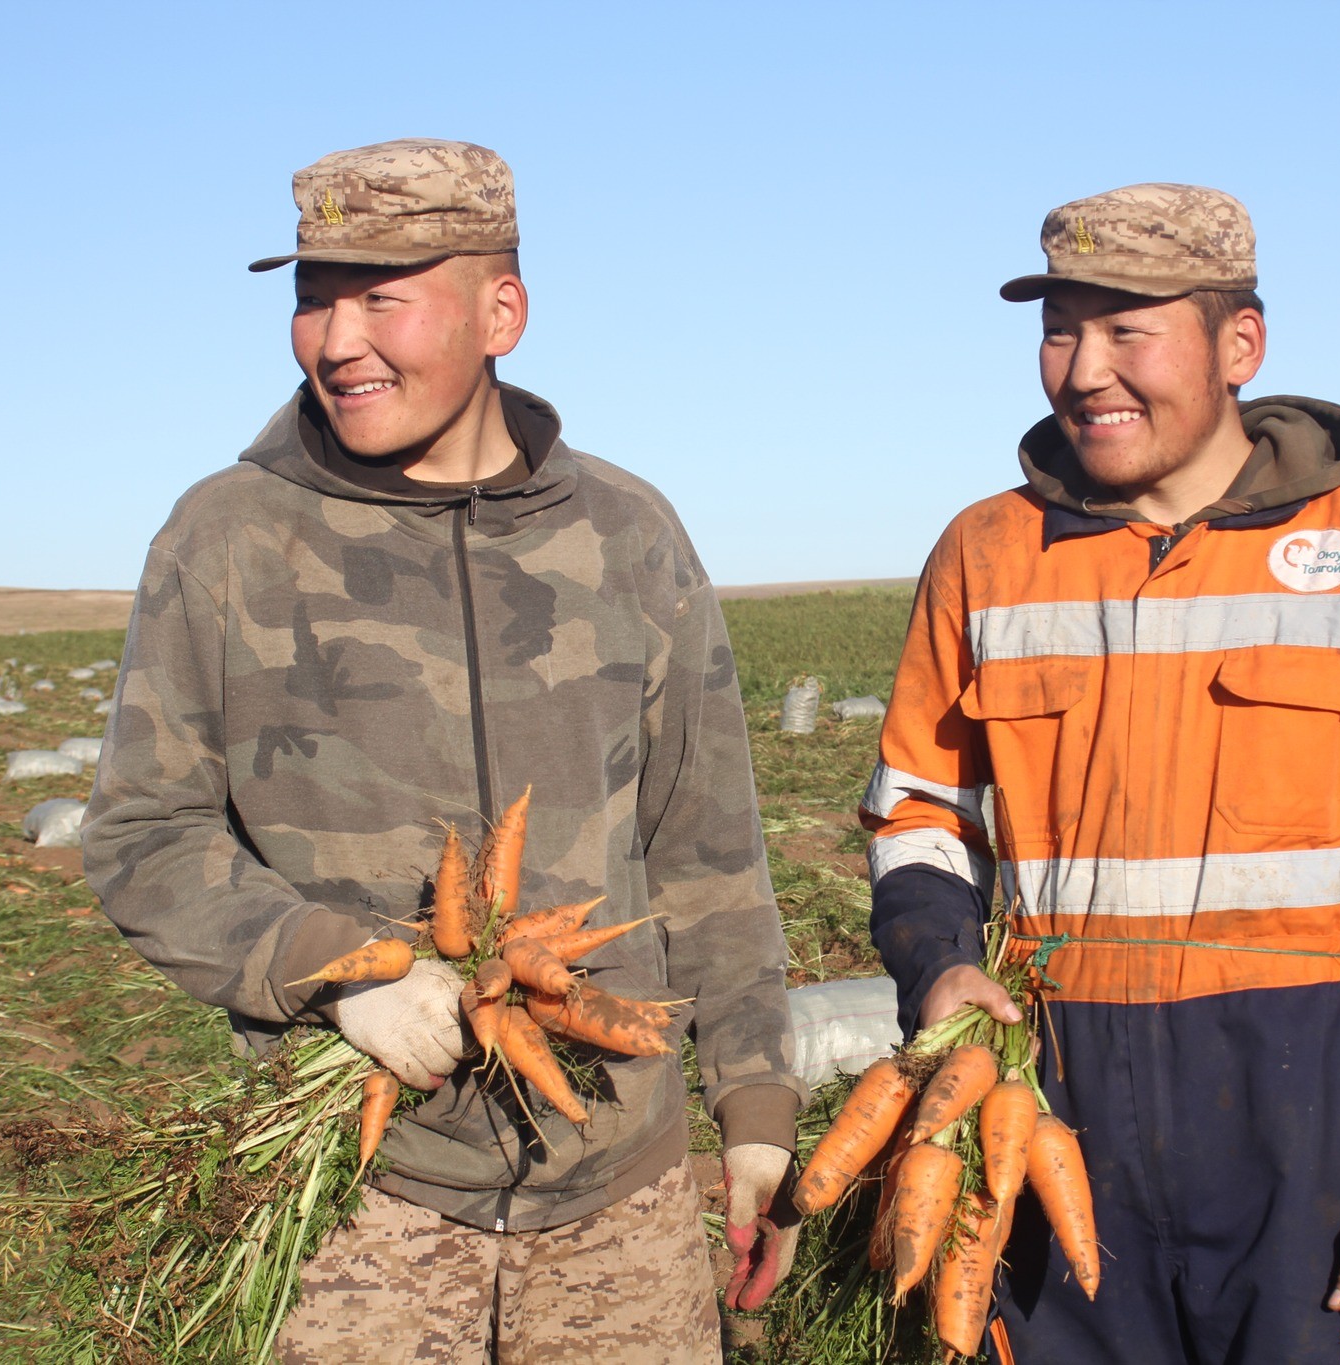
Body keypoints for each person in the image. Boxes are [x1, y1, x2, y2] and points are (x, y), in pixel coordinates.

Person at [83, 138, 805, 1362]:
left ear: (500, 313)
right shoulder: (229, 538)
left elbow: (706, 849)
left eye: (381, 298)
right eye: (314, 298)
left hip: (620, 1188)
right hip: (360, 1200)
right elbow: (143, 834)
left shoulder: (626, 536)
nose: (335, 340)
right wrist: (335, 969)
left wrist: (754, 1105)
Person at [864, 184, 1340, 1364]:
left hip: (1300, 1113)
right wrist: (938, 961)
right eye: (1059, 332)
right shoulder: (987, 552)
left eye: (1127, 330)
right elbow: (920, 813)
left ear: (1239, 345)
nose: (1083, 372)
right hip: (1043, 1106)